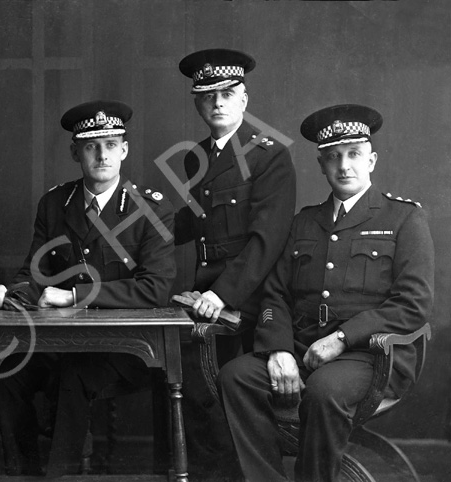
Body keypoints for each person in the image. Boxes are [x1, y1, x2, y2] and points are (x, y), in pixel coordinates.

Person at [217, 104, 435, 482]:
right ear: (321, 164)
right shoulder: (304, 221)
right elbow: (275, 295)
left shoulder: (403, 219)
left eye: (354, 154)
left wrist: (342, 337)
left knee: (323, 390)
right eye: (333, 157)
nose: (344, 166)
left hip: (371, 355)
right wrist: (279, 348)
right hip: (303, 346)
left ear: (372, 160)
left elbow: (413, 303)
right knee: (236, 376)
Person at [0, 100, 176, 476]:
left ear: (124, 150)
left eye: (111, 145)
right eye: (90, 146)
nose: (102, 155)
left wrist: (73, 297)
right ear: (75, 152)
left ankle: (59, 477)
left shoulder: (150, 209)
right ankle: (24, 474)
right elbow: (32, 275)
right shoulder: (55, 203)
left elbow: (156, 289)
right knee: (5, 372)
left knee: (74, 377)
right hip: (60, 343)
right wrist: (8, 293)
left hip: (125, 348)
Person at [174, 48, 297, 477]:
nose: (219, 103)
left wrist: (221, 293)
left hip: (253, 298)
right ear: (198, 104)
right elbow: (190, 223)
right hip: (205, 294)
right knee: (189, 388)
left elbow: (267, 241)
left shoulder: (269, 155)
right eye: (209, 96)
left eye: (229, 93)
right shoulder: (197, 157)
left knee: (226, 391)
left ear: (245, 99)